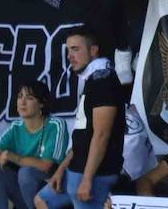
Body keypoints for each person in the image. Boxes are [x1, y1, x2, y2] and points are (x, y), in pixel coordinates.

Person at [37, 28, 123, 209]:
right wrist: (61, 170)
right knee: (43, 200)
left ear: (93, 50)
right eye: (68, 50)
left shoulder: (103, 81)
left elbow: (101, 135)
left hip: (95, 174)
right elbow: (82, 134)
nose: (70, 56)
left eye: (76, 49)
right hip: (76, 168)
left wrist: (87, 179)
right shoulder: (92, 79)